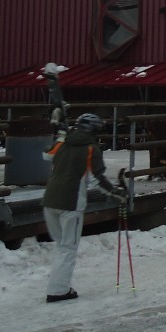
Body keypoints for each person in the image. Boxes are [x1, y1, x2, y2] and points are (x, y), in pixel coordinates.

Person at [42, 113, 126, 303]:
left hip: (49, 200)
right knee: (68, 247)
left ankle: (58, 285)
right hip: (71, 203)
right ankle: (58, 290)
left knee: (61, 246)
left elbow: (46, 154)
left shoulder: (63, 143)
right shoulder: (91, 149)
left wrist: (61, 135)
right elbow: (97, 179)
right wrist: (116, 192)